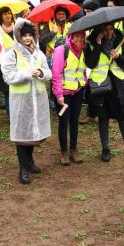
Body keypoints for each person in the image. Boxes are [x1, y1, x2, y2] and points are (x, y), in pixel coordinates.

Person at [1, 19, 51, 184]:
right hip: (21, 100)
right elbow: (8, 76)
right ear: (18, 36)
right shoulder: (12, 53)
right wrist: (27, 73)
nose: (28, 38)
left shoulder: (38, 53)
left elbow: (48, 73)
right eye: (25, 35)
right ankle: (22, 168)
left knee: (32, 134)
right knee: (22, 135)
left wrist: (41, 72)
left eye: (30, 35)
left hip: (38, 99)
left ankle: (30, 163)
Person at [85, 24, 124, 162]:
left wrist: (117, 57)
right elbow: (91, 64)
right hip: (101, 86)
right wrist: (98, 44)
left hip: (117, 86)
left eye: (110, 29)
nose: (108, 32)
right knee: (103, 119)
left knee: (123, 118)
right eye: (105, 29)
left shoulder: (120, 42)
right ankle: (105, 149)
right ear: (99, 31)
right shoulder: (91, 43)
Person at [52, 30, 87, 165]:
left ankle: (73, 150)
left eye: (82, 36)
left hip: (77, 92)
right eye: (77, 36)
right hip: (63, 94)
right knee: (63, 121)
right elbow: (56, 74)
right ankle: (64, 152)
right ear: (71, 37)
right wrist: (59, 95)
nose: (80, 39)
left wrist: (85, 81)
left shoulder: (83, 50)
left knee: (74, 121)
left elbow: (83, 69)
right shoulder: (62, 50)